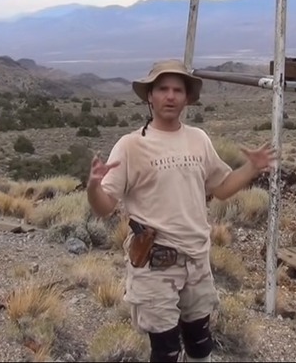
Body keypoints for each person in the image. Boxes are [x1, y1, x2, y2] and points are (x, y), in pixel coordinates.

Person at [86, 59, 277, 363]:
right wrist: (94, 187)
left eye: (178, 90)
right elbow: (105, 207)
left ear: (188, 98)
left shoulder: (198, 139)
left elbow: (222, 187)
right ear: (150, 96)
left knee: (200, 345)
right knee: (166, 351)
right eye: (162, 89)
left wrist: (252, 167)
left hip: (197, 258)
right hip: (155, 264)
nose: (170, 96)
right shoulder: (130, 145)